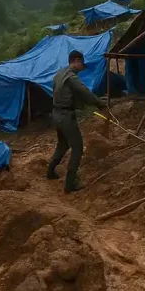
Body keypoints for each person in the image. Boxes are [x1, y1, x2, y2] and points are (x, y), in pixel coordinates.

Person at [48, 50, 106, 193]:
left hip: (56, 113)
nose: (82, 67)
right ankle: (70, 183)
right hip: (66, 115)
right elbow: (84, 92)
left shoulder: (59, 74)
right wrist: (100, 104)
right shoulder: (71, 76)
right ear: (76, 61)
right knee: (77, 147)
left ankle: (50, 171)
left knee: (63, 144)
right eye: (82, 63)